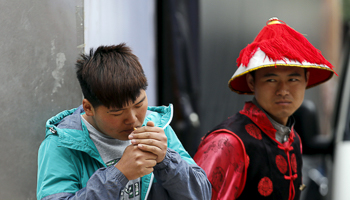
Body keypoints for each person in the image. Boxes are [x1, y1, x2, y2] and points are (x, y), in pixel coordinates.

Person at [37, 43, 211, 200]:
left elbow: (202, 195)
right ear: (88, 108)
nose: (133, 119)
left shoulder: (157, 127)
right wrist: (118, 175)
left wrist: (166, 161)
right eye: (117, 112)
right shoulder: (62, 144)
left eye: (139, 104)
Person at [193, 17, 336, 200]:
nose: (283, 90)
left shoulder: (294, 141)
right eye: (271, 80)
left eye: (293, 79)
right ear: (252, 83)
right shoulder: (227, 143)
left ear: (306, 81)